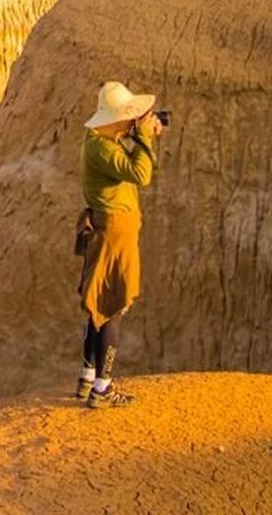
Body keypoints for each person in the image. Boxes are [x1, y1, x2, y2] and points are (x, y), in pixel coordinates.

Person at [74, 79, 164, 409]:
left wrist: (133, 134)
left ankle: (87, 378)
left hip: (110, 228)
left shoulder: (99, 141)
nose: (132, 120)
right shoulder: (101, 148)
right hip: (114, 232)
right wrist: (143, 136)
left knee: (97, 304)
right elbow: (141, 174)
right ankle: (103, 388)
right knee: (112, 307)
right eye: (129, 116)